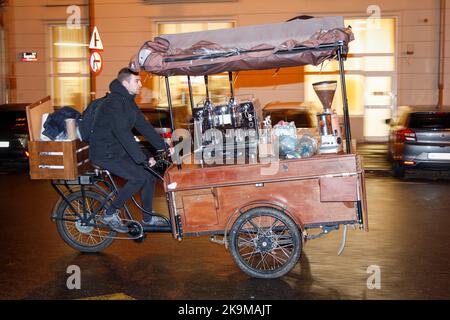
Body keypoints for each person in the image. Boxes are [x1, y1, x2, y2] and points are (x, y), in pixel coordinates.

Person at [89, 67, 171, 232]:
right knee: (138, 178)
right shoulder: (114, 103)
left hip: (116, 151)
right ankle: (109, 213)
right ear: (125, 83)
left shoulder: (128, 101)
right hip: (104, 153)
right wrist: (141, 158)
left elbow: (143, 126)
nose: (140, 84)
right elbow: (122, 133)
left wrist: (164, 147)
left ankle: (148, 218)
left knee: (149, 175)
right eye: (137, 81)